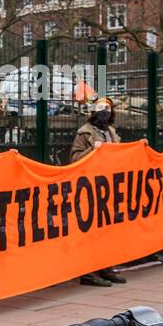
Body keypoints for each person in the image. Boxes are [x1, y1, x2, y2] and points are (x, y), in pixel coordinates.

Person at [69, 98, 127, 288]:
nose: (104, 112)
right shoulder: (84, 133)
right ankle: (89, 272)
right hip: (90, 186)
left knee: (108, 230)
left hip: (109, 186)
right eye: (101, 108)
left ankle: (105, 267)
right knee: (91, 231)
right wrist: (92, 150)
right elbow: (74, 159)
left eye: (108, 108)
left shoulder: (112, 133)